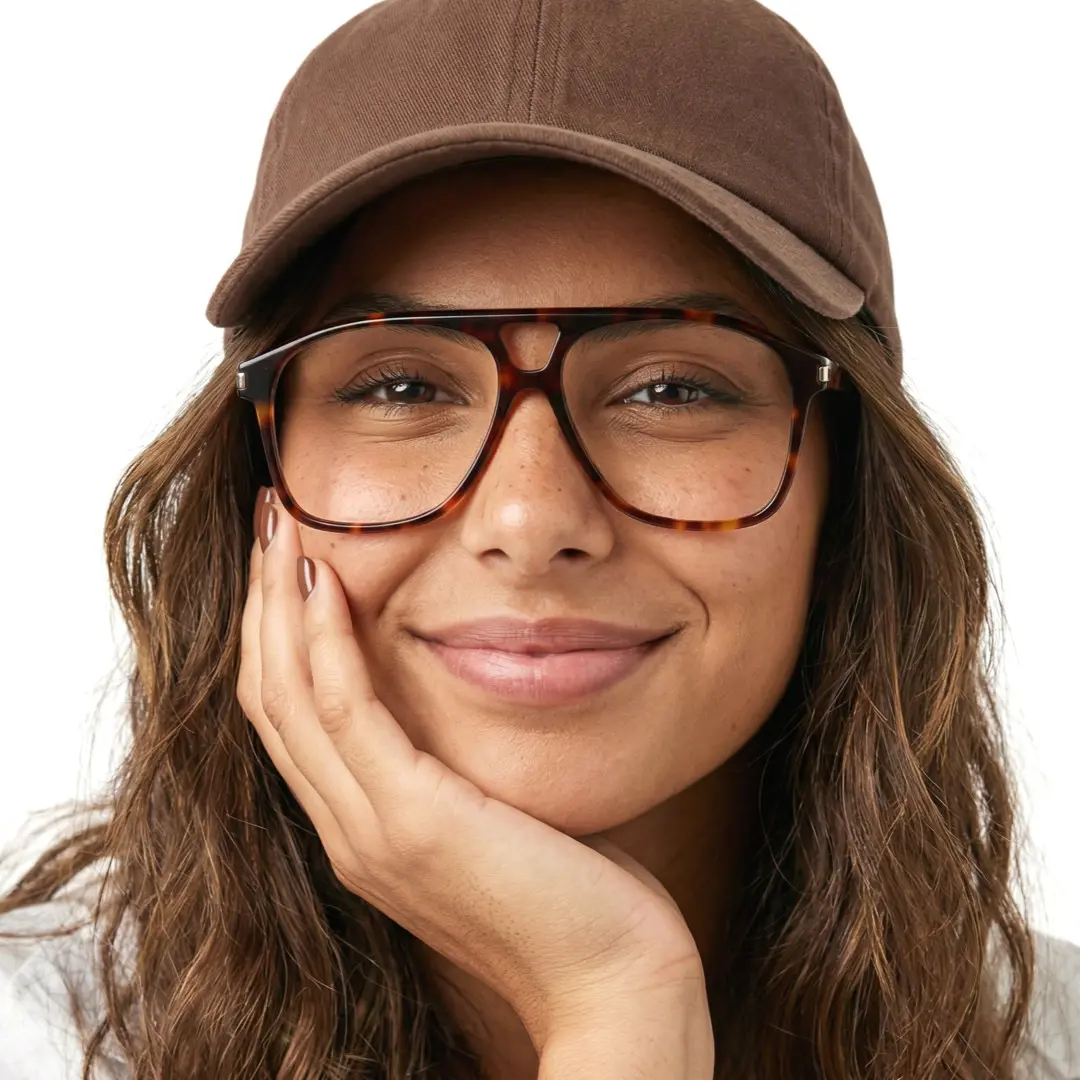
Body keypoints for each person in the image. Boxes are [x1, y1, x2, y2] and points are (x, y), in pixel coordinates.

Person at [1, 0, 1077, 1077]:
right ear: (257, 479)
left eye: (670, 387)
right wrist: (615, 1001)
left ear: (849, 491)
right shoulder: (37, 1035)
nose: (530, 520)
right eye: (403, 383)